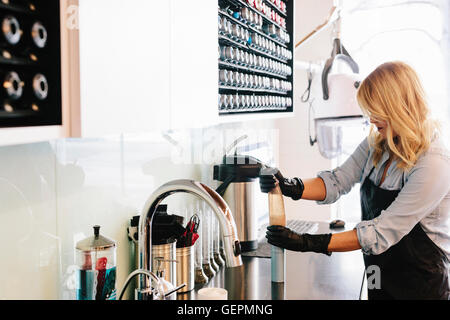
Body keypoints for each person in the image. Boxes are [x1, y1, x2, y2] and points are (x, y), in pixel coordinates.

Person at [261, 61, 450, 300]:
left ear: (399, 108)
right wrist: (291, 186)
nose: (371, 120)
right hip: (378, 273)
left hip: (420, 284)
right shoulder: (378, 143)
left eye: (376, 111)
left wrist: (308, 242)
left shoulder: (434, 163)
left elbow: (381, 231)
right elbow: (338, 181)